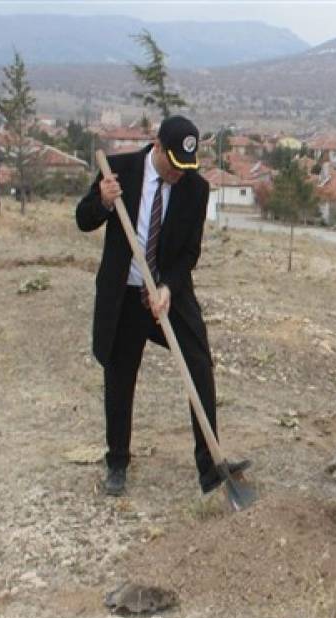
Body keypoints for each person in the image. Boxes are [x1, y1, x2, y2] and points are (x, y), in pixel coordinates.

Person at [76, 115, 248, 497]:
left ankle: (210, 464)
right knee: (120, 375)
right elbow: (82, 220)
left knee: (199, 363)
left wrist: (168, 286)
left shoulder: (195, 189)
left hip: (167, 295)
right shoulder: (118, 172)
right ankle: (117, 461)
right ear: (157, 146)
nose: (178, 175)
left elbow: (189, 251)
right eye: (173, 165)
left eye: (186, 167)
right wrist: (103, 202)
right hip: (125, 293)